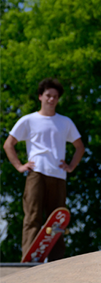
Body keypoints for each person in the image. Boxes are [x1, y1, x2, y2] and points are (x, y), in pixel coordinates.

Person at [3, 78, 85, 261]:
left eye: (55, 97)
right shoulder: (29, 120)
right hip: (36, 173)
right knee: (33, 217)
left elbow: (80, 147)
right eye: (48, 96)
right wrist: (19, 166)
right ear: (40, 96)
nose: (51, 100)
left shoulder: (65, 122)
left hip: (58, 175)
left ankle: (56, 261)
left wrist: (71, 166)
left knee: (57, 220)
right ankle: (29, 258)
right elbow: (8, 144)